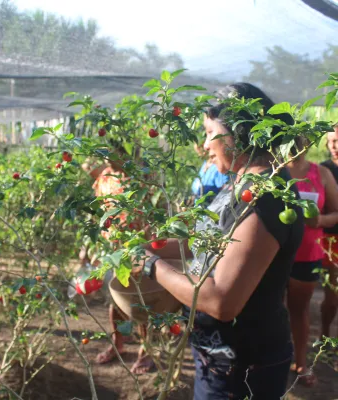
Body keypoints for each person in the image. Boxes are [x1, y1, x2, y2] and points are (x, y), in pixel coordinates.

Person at [133, 83, 304, 399]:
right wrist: (147, 246)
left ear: (235, 133)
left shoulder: (265, 198)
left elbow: (221, 301)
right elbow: (209, 243)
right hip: (219, 357)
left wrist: (150, 265)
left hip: (243, 367)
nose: (204, 144)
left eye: (209, 132)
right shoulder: (238, 184)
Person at [83, 141, 154, 374]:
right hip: (112, 248)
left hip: (136, 246)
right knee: (115, 299)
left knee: (139, 300)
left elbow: (151, 212)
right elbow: (98, 213)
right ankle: (118, 344)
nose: (104, 156)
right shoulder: (103, 178)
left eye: (108, 151)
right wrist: (89, 244)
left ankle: (146, 351)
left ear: (121, 151)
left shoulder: (137, 178)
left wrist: (149, 246)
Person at [286, 137, 338, 386]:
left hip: (307, 253)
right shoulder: (273, 172)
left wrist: (320, 221)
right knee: (270, 310)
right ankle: (268, 360)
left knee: (299, 309)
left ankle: (301, 363)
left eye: (299, 140)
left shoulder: (322, 174)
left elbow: (336, 212)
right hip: (273, 252)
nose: (295, 146)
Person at [320, 124, 338, 340]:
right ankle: (324, 336)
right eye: (330, 141)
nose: (333, 146)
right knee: (331, 295)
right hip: (330, 239)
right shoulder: (323, 170)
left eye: (337, 141)